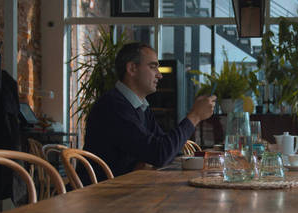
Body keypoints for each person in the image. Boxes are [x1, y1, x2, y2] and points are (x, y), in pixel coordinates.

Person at [82, 42, 216, 183]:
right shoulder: (113, 106)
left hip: (127, 189)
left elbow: (166, 150)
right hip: (102, 196)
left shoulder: (140, 106)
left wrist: (151, 158)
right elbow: (160, 154)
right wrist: (195, 116)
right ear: (132, 68)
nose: (160, 75)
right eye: (153, 67)